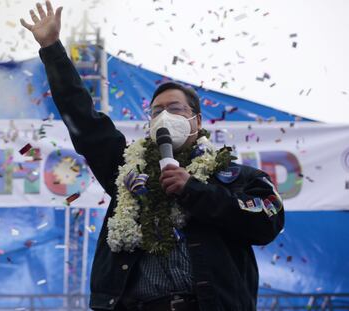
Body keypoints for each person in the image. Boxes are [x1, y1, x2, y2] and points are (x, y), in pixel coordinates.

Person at [21, 2, 285, 310]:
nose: (164, 116)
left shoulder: (238, 178)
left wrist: (194, 190)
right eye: (156, 112)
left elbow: (268, 222)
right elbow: (84, 120)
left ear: (196, 121)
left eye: (175, 109)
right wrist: (52, 48)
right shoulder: (127, 172)